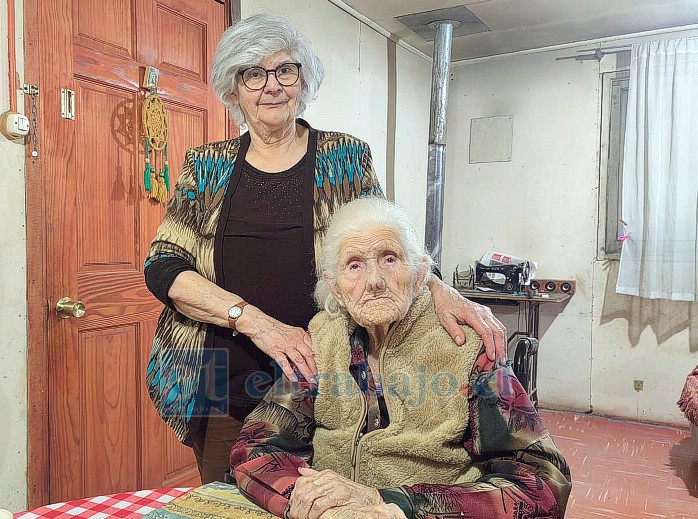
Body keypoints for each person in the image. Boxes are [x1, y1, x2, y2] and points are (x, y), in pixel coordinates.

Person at [144, 13, 507, 485]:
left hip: (326, 383)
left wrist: (435, 286)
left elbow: (382, 241)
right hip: (223, 381)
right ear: (234, 90)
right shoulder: (207, 165)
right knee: (229, 503)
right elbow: (164, 265)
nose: (271, 86)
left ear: (303, 80)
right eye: (253, 74)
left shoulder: (344, 156)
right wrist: (256, 323)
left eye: (284, 70)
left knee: (323, 496)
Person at [230, 197, 571, 519]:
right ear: (336, 289)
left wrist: (396, 505)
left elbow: (541, 486)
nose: (374, 281)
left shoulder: (466, 347)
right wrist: (304, 496)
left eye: (389, 259)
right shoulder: (321, 339)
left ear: (420, 273)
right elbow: (254, 447)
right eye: (354, 265)